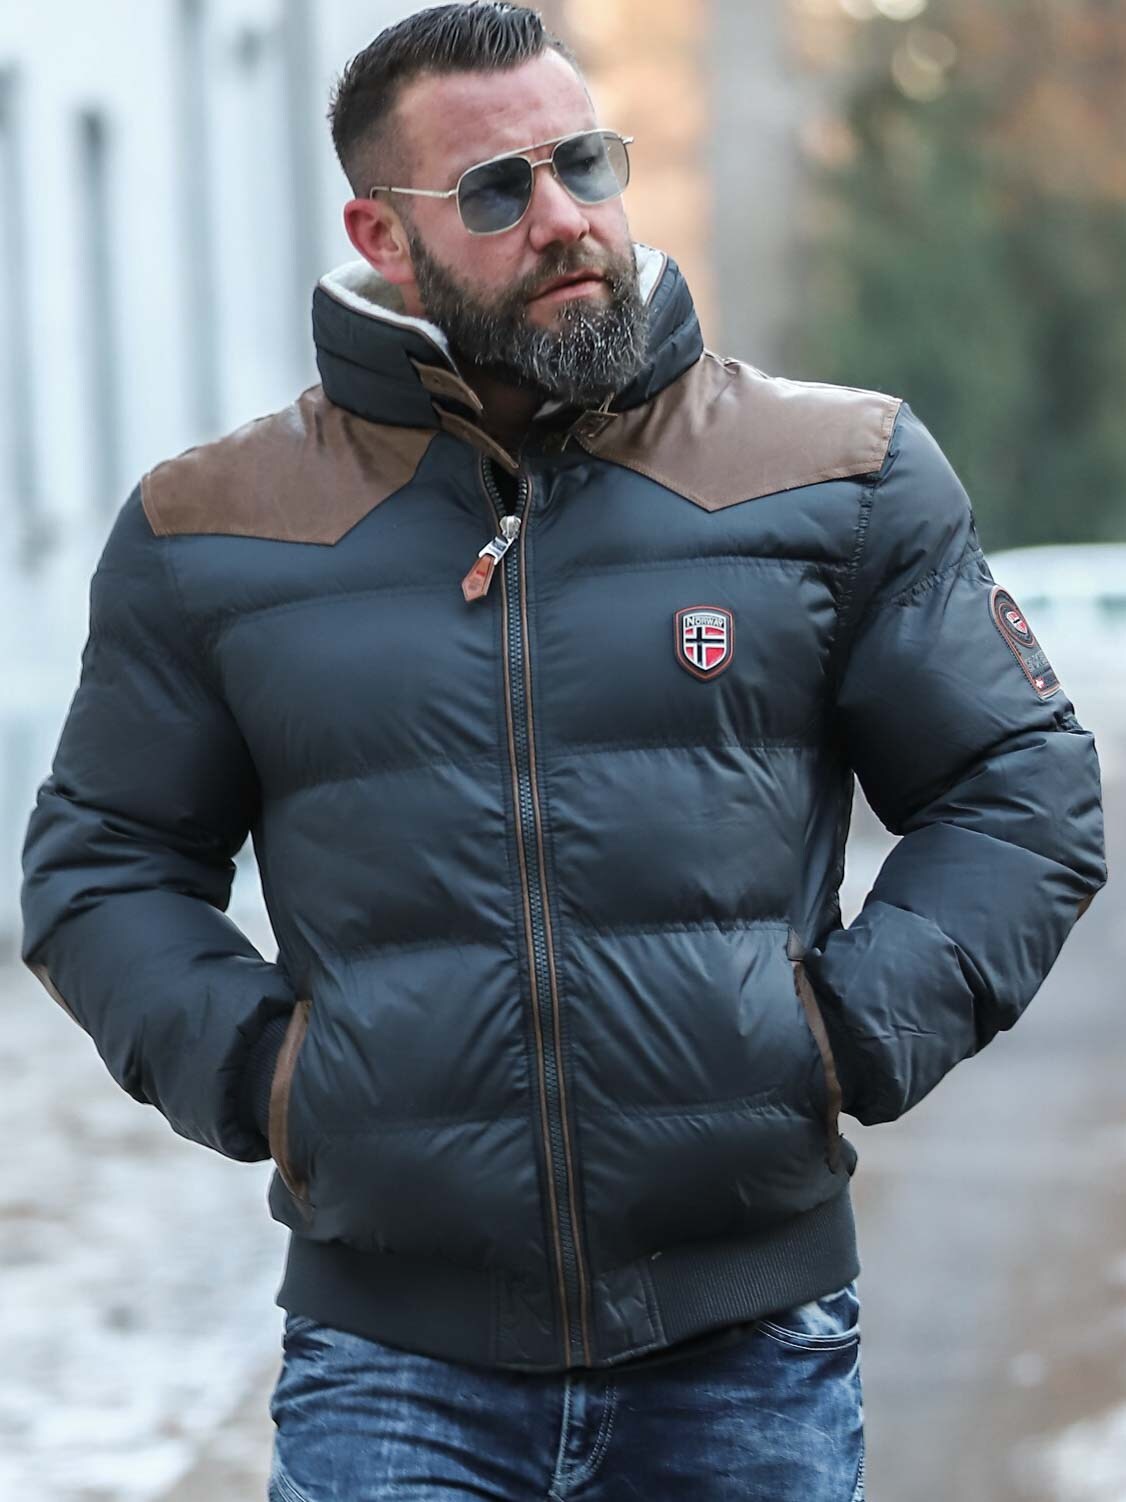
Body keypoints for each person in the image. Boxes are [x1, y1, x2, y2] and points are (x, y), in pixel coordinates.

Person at [19, 4, 1106, 1499]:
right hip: (391, 1366)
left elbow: (1019, 785)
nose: (561, 218)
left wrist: (845, 1035)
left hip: (744, 1350)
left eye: (582, 162)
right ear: (381, 234)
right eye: (493, 190)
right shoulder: (215, 528)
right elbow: (102, 866)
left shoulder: (834, 472)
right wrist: (278, 1079)